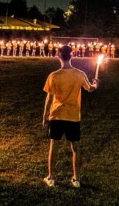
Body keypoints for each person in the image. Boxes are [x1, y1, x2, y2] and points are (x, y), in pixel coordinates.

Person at [42, 45, 99, 188]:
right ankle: (76, 179)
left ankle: (50, 177)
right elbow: (90, 89)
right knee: (75, 147)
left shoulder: (53, 76)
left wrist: (45, 116)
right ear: (71, 56)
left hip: (57, 115)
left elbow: (49, 99)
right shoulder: (79, 74)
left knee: (54, 145)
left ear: (58, 56)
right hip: (73, 116)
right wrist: (95, 84)